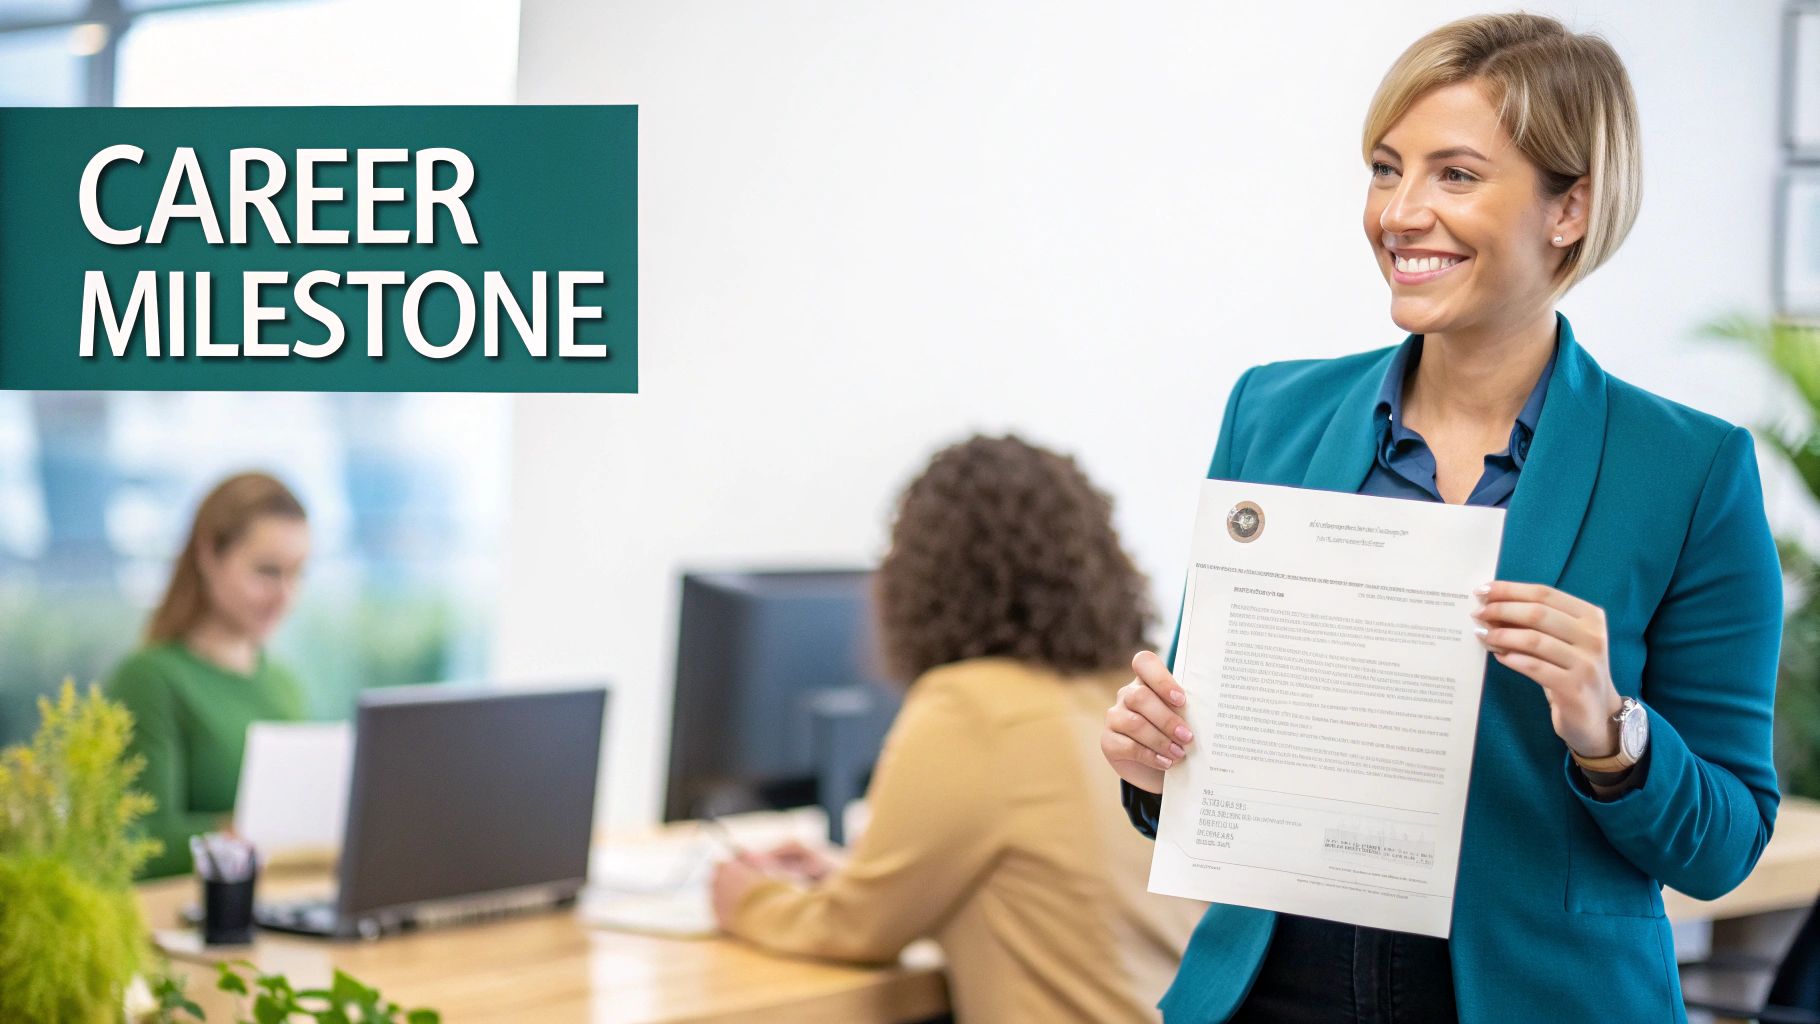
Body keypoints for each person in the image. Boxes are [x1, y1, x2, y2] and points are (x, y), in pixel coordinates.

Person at [1101, 13, 1781, 1024]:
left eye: (1453, 176)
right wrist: (1153, 763)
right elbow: (1209, 739)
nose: (1399, 212)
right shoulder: (1271, 414)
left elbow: (1723, 847)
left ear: (1568, 208)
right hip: (1266, 996)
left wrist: (1609, 730)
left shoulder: (1687, 469)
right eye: (1385, 169)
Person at [711, 435, 1203, 1023]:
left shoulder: (971, 708)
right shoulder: (1126, 695)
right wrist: (856, 875)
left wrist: (746, 899)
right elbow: (1053, 887)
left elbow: (856, 931)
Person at [107, 472, 311, 879]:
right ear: (209, 556)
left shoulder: (283, 684)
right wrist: (240, 834)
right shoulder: (150, 679)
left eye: (298, 573)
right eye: (267, 572)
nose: (285, 596)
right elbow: (138, 841)